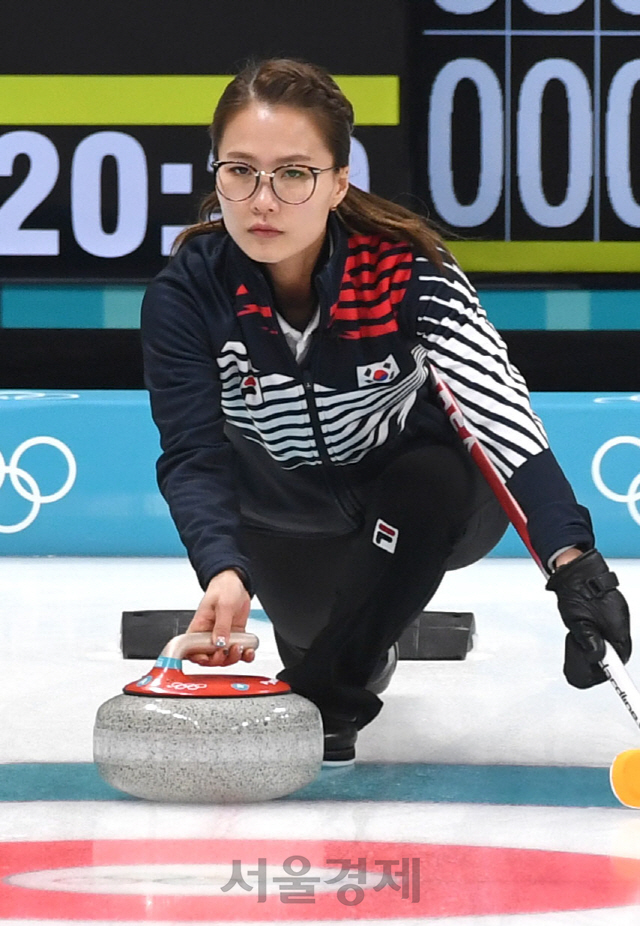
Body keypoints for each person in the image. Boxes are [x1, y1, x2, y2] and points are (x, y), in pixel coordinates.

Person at [141, 58, 631, 764]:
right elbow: (193, 452)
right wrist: (224, 569)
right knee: (330, 632)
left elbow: (499, 412)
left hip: (417, 499)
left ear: (338, 182)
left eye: (293, 174)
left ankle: (325, 706)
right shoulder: (188, 295)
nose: (263, 200)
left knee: (431, 479)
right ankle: (358, 640)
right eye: (240, 171)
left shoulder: (408, 270)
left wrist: (576, 565)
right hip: (284, 516)